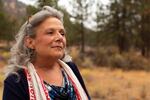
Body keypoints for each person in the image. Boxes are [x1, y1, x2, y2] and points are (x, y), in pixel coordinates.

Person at [3, 6, 90, 100]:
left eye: (62, 33)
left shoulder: (71, 68)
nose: (60, 38)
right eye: (50, 32)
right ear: (30, 42)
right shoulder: (17, 82)